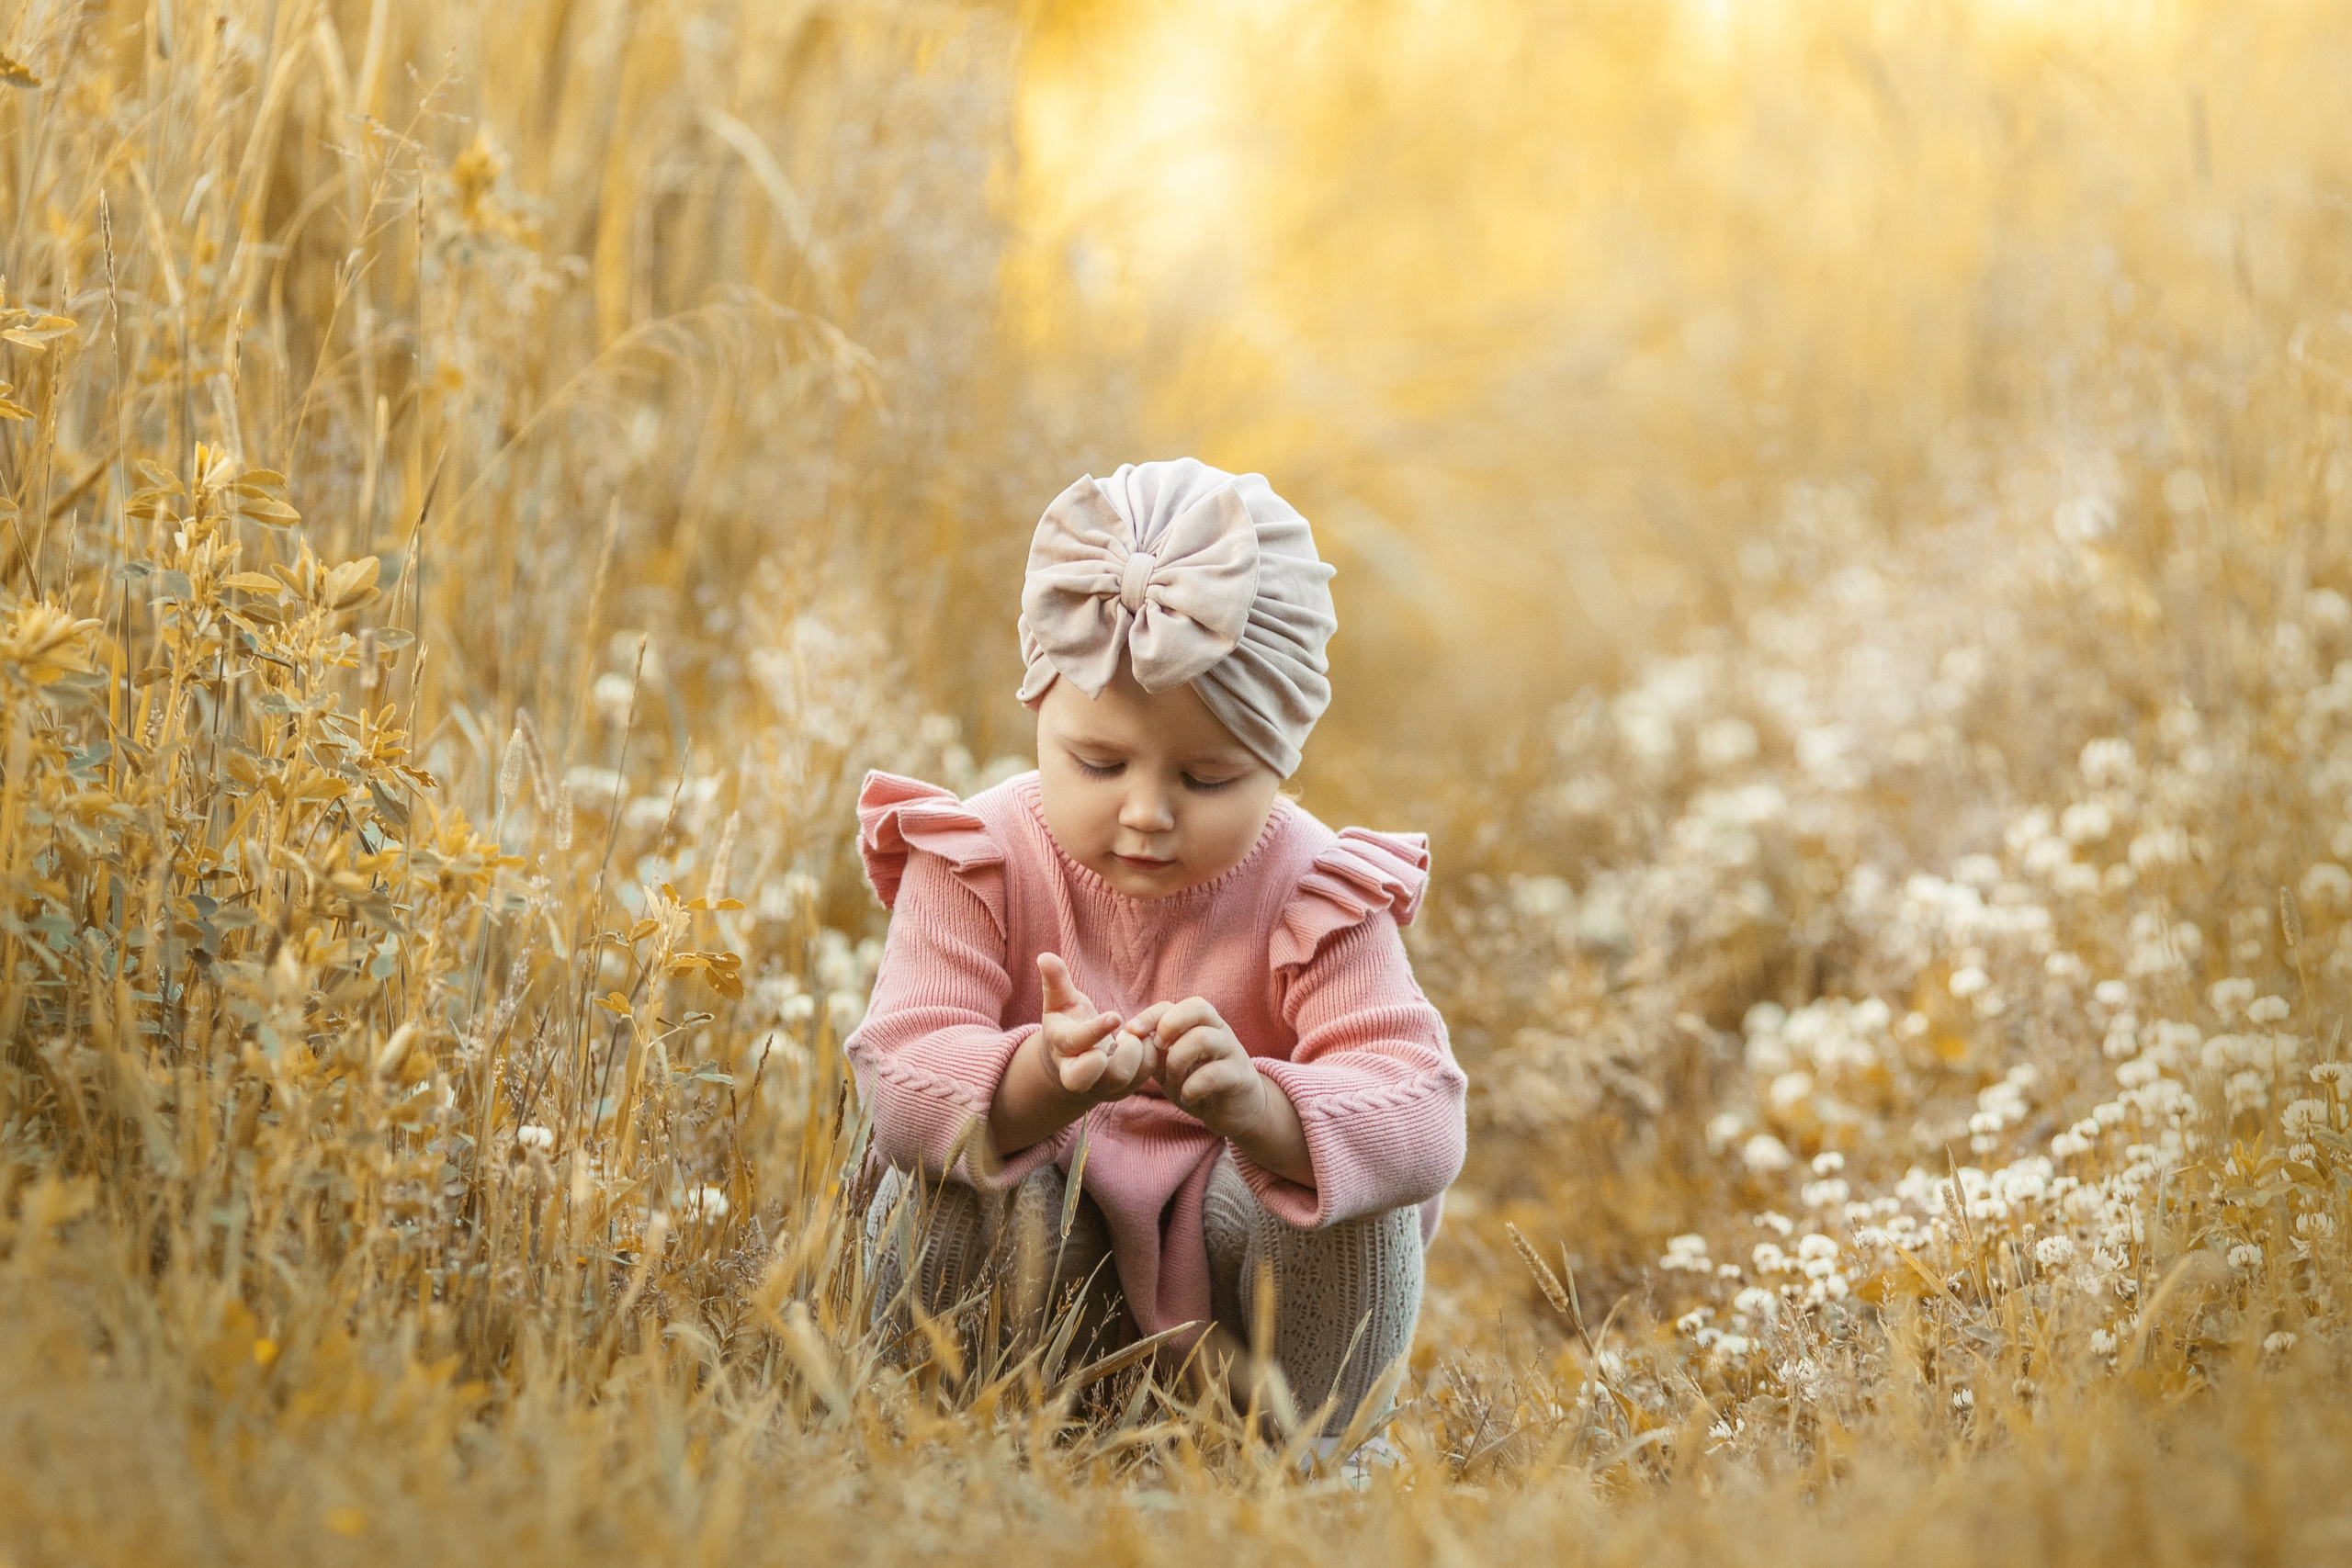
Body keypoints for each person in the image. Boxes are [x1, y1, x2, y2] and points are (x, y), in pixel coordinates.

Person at [846, 457, 1465, 1463]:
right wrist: (1032, 1087)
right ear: (1041, 710)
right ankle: (947, 1428)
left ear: (1281, 759)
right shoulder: (976, 860)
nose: (1145, 812)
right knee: (957, 1159)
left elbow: (1424, 1112)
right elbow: (896, 1071)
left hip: (1250, 1327)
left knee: (1350, 1174)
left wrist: (1263, 1114)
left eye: (1210, 778)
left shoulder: (1320, 891)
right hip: (1035, 1304)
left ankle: (1311, 1451)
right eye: (1097, 763)